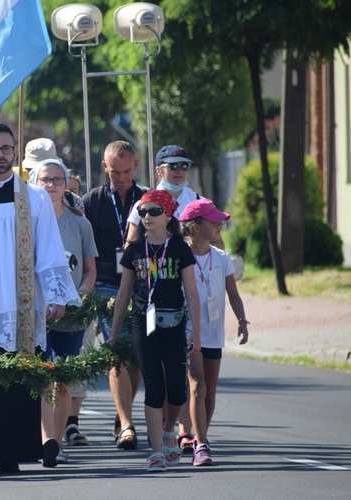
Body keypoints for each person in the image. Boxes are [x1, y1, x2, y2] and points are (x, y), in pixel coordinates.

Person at [0, 124, 81, 474]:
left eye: (7, 148)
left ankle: (11, 452)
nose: (1, 155)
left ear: (15, 152)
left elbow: (51, 250)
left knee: (20, 380)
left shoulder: (35, 198)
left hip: (24, 304)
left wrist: (55, 294)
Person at [108, 189, 200, 473]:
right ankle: (157, 451)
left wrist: (196, 329)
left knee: (176, 388)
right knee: (153, 385)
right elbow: (123, 295)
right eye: (143, 212)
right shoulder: (134, 249)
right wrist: (113, 333)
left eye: (154, 212)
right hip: (142, 323)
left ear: (167, 215)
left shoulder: (180, 249)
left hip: (174, 323)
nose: (147, 217)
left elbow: (192, 293)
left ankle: (170, 427)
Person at [29, 158, 97, 466]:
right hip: (38, 315)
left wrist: (78, 298)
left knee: (65, 379)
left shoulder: (80, 223)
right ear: (34, 182)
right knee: (43, 378)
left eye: (58, 180)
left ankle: (57, 443)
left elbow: (90, 270)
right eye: (45, 179)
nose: (52, 185)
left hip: (71, 315)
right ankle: (45, 442)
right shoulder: (26, 222)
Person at [81, 141, 147, 450]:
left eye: (126, 171)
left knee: (136, 353)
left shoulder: (147, 199)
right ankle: (128, 425)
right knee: (118, 348)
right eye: (114, 171)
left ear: (136, 167)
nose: (120, 177)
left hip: (143, 285)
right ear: (104, 167)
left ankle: (123, 415)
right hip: (106, 283)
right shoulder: (92, 200)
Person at [179, 199, 249, 466]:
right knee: (198, 386)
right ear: (195, 227)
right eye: (212, 222)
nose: (219, 225)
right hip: (188, 332)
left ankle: (200, 437)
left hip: (214, 332)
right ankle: (202, 444)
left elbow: (233, 294)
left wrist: (242, 319)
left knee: (210, 391)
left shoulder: (221, 259)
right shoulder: (180, 256)